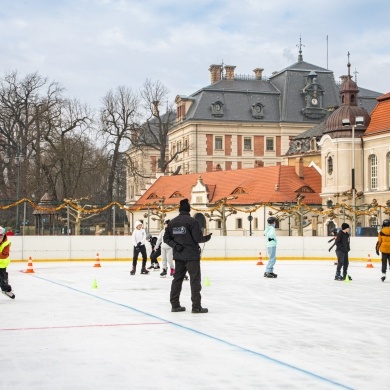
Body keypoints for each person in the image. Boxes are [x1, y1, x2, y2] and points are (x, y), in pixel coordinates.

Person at [163, 199, 212, 313]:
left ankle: (175, 305)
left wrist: (175, 245)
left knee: (177, 280)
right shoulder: (192, 222)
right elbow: (198, 238)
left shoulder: (172, 222)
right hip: (192, 256)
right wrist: (207, 238)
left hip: (179, 256)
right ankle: (196, 307)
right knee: (194, 280)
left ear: (179, 209)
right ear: (188, 209)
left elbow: (166, 238)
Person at [0, 226, 15, 299]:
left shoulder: (6, 244)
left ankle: (6, 290)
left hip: (1, 265)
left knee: (3, 280)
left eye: (0, 237)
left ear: (4, 236)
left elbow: (4, 255)